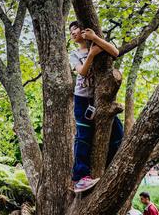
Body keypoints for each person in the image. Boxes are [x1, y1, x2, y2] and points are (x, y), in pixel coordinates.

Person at [69, 21, 124, 193]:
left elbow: (115, 52)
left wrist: (94, 38)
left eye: (74, 29)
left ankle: (109, 166)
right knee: (83, 136)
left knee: (118, 133)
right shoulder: (74, 54)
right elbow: (82, 72)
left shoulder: (98, 44)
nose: (72, 33)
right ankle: (80, 178)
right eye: (70, 31)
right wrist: (91, 55)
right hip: (82, 99)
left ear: (83, 29)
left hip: (100, 100)